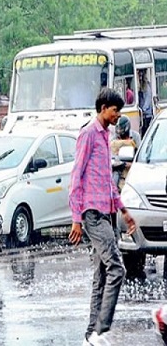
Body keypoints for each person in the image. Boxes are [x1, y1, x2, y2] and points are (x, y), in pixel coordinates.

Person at [68, 88, 137, 346]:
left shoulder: (105, 136)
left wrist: (124, 210)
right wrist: (77, 217)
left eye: (119, 111)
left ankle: (91, 336)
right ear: (103, 107)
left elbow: (107, 180)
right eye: (115, 110)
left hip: (106, 213)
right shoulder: (88, 134)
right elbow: (76, 178)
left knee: (101, 276)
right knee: (117, 268)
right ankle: (102, 328)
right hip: (92, 214)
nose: (118, 115)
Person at [110, 115, 137, 191]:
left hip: (130, 167)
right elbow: (111, 155)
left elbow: (138, 154)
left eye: (121, 129)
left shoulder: (135, 137)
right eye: (118, 129)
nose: (119, 131)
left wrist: (128, 164)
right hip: (117, 166)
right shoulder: (113, 140)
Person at [138, 69, 153, 137]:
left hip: (147, 114)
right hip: (142, 115)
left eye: (141, 76)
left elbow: (148, 99)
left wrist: (143, 109)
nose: (140, 78)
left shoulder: (147, 86)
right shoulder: (140, 87)